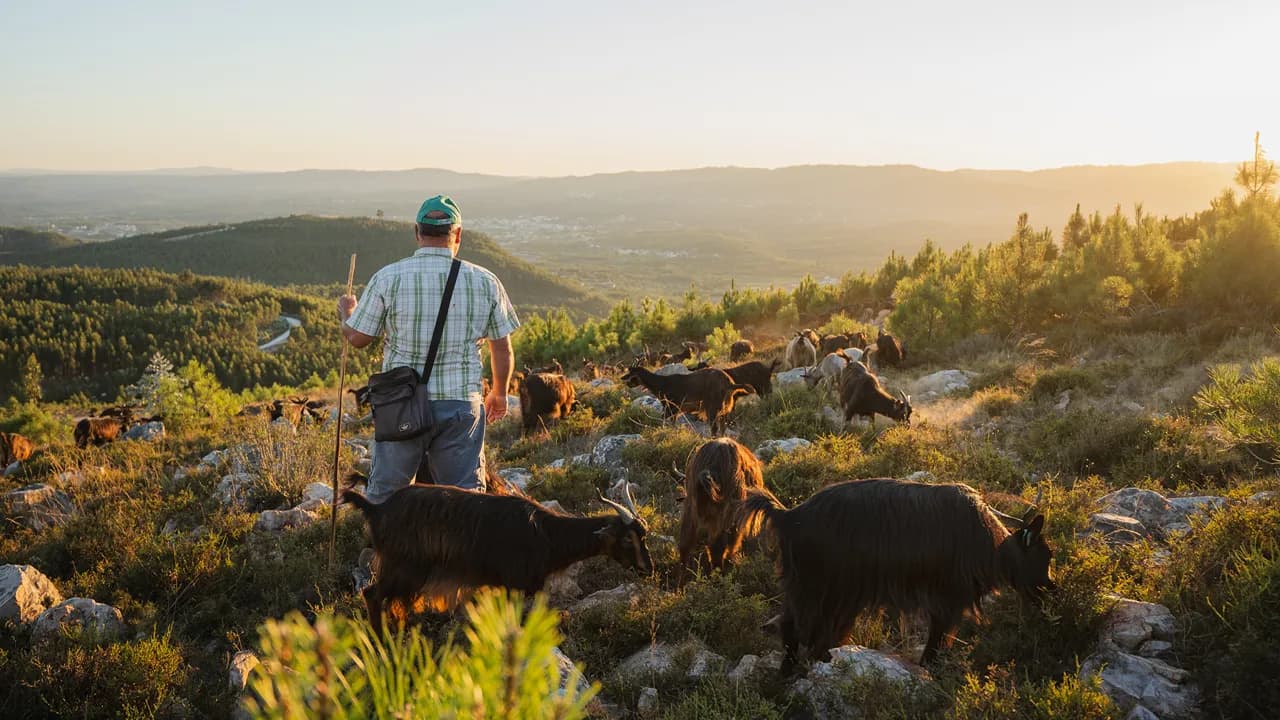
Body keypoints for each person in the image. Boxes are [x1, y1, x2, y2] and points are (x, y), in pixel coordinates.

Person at [338, 195, 518, 500]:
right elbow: (502, 349)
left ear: (417, 232)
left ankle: (387, 547)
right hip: (460, 404)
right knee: (465, 500)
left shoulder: (388, 278)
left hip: (400, 404)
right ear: (458, 234)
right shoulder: (486, 281)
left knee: (388, 497)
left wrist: (347, 313)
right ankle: (457, 548)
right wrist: (499, 393)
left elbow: (357, 338)